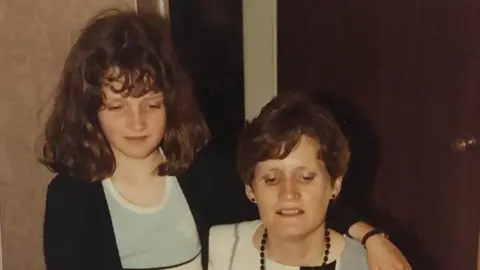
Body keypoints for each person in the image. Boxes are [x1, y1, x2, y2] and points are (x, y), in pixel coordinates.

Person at [40, 8, 409, 270]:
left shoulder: (203, 174)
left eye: (151, 104)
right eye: (117, 107)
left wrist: (371, 236)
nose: (137, 122)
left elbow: (291, 198)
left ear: (170, 101)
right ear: (90, 110)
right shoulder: (71, 200)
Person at [209, 92, 392, 269]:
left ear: (335, 184)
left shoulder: (370, 264)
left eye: (305, 178)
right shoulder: (220, 248)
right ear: (250, 189)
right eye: (272, 179)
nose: (288, 193)